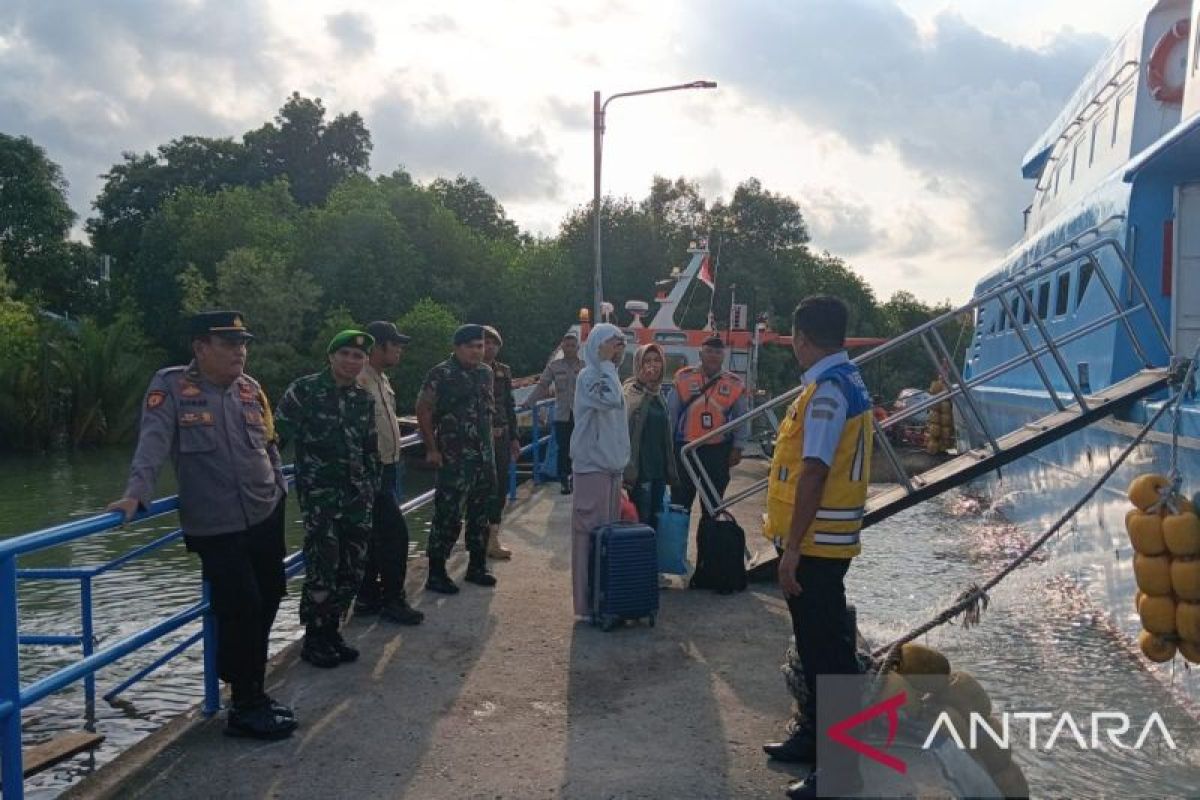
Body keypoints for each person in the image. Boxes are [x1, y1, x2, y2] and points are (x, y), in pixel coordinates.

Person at [107, 311, 296, 740]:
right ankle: (243, 704)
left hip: (265, 511)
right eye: (229, 344)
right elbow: (152, 441)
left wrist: (280, 485)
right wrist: (137, 492)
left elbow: (269, 444)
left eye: (243, 343)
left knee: (269, 598)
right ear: (200, 347)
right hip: (216, 523)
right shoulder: (172, 386)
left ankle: (253, 690)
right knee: (242, 605)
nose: (240, 352)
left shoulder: (252, 389)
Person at [761, 296, 872, 799]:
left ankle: (842, 769)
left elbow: (815, 470)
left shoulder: (827, 392)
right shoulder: (845, 381)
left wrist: (793, 550)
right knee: (816, 647)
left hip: (817, 547)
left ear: (802, 337)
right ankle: (813, 737)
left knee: (828, 655)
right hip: (825, 543)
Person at [276, 330, 381, 669]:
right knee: (324, 564)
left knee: (353, 565)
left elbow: (369, 448)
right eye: (346, 354)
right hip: (320, 496)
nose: (352, 361)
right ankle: (315, 636)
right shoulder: (304, 391)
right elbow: (276, 440)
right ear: (331, 357)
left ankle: (334, 629)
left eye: (359, 356)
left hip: (356, 496)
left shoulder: (362, 398)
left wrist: (370, 488)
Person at [417, 324, 498, 594]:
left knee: (481, 513)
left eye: (481, 346)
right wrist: (431, 448)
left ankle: (476, 566)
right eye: (472, 346)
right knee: (448, 515)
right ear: (457, 347)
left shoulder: (487, 373)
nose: (478, 351)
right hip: (454, 458)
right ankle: (437, 572)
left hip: (484, 457)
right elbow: (424, 409)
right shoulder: (440, 374)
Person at [354, 321, 424, 626]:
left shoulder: (381, 380)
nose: (399, 350)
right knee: (395, 536)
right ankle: (392, 600)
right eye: (395, 345)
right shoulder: (359, 379)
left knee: (375, 536)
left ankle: (368, 596)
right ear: (377, 347)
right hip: (371, 470)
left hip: (388, 466)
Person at [569, 323, 629, 621]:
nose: (617, 349)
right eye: (611, 343)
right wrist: (605, 362)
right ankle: (586, 604)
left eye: (620, 344)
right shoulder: (589, 375)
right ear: (597, 345)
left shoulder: (611, 374)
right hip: (591, 467)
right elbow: (608, 400)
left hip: (611, 468)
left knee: (607, 538)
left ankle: (604, 597)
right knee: (587, 537)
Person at [669, 336, 748, 521]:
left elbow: (741, 418)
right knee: (679, 505)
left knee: (713, 507)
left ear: (724, 356)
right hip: (685, 449)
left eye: (718, 352)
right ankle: (676, 548)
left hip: (717, 451)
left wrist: (738, 447)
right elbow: (671, 414)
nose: (713, 356)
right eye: (709, 351)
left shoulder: (734, 384)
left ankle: (709, 548)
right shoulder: (683, 377)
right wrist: (668, 448)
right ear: (700, 353)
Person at [622, 343, 677, 529]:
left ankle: (652, 557)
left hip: (658, 470)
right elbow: (626, 414)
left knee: (656, 519)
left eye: (656, 360)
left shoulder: (658, 394)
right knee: (642, 521)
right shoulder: (631, 390)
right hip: (641, 470)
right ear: (638, 364)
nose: (652, 365)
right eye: (646, 361)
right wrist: (642, 385)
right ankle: (640, 557)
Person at [523, 332, 584, 494]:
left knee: (579, 448)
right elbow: (542, 385)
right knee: (563, 448)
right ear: (562, 347)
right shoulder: (554, 367)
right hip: (562, 414)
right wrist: (529, 402)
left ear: (578, 348)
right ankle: (564, 479)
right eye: (567, 345)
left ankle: (576, 478)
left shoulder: (585, 366)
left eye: (573, 345)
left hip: (581, 415)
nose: (570, 348)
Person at [483, 325, 521, 560]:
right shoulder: (470, 370)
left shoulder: (503, 371)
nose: (489, 347)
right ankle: (477, 537)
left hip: (501, 437)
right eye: (485, 342)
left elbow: (509, 404)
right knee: (479, 490)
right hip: (477, 440)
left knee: (500, 488)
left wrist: (515, 436)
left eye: (493, 343)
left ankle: (493, 537)